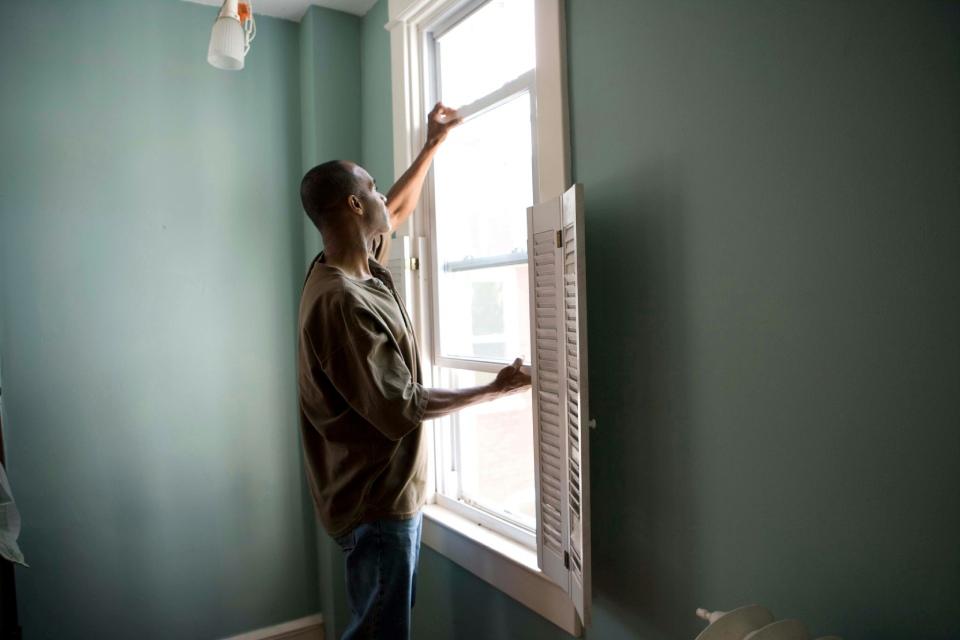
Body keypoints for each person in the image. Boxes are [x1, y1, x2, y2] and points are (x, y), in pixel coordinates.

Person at [297, 102, 531, 640]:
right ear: (355, 205)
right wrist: (495, 390)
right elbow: (401, 406)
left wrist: (433, 145)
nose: (383, 195)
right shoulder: (341, 302)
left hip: (380, 495)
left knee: (379, 624)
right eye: (372, 187)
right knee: (380, 633)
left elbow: (395, 211)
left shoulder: (351, 262)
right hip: (374, 503)